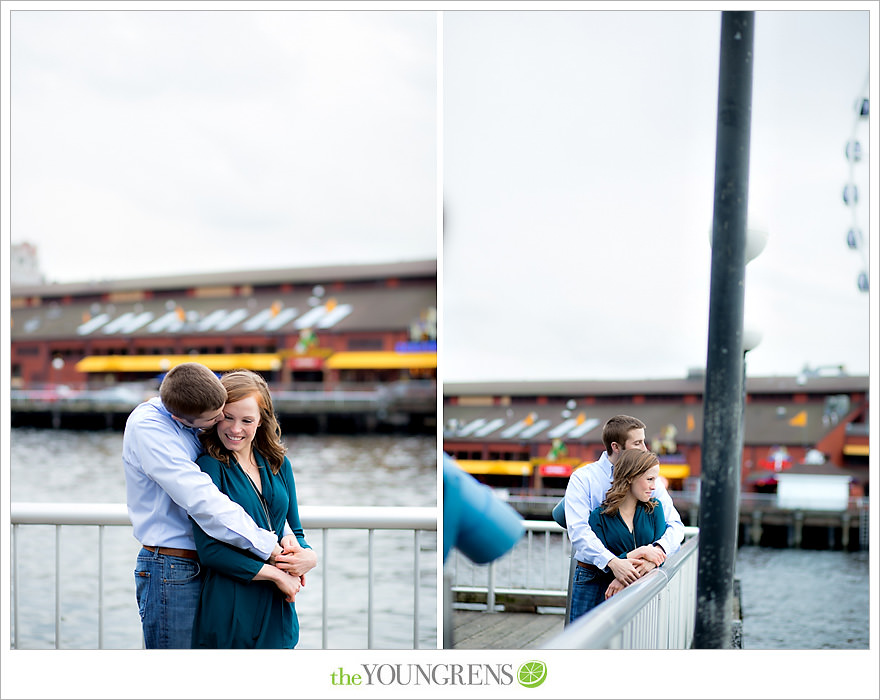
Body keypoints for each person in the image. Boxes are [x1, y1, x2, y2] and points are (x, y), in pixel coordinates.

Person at [123, 362, 294, 648]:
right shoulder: (150, 428)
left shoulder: (194, 415)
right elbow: (204, 501)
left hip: (212, 570)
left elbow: (254, 500)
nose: (220, 425)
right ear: (182, 418)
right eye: (217, 418)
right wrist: (271, 549)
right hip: (172, 567)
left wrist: (290, 538)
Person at [190, 369, 317, 648]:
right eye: (228, 418)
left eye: (247, 420)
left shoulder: (278, 463)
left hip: (278, 603)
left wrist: (306, 557)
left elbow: (294, 529)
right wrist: (275, 573)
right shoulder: (209, 467)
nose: (236, 429)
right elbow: (210, 551)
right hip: (231, 601)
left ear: (261, 421)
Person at [563, 414, 685, 623]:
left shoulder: (648, 480)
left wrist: (657, 554)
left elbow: (675, 525)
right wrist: (613, 562)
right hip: (593, 576)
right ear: (616, 447)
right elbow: (579, 531)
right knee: (581, 644)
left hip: (637, 574)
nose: (645, 449)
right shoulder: (584, 478)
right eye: (637, 443)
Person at [577, 450, 667, 611]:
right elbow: (601, 564)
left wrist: (623, 577)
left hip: (645, 599)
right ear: (631, 477)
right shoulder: (599, 517)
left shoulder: (655, 509)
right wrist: (642, 551)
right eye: (649, 479)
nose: (654, 486)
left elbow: (658, 556)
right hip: (607, 597)